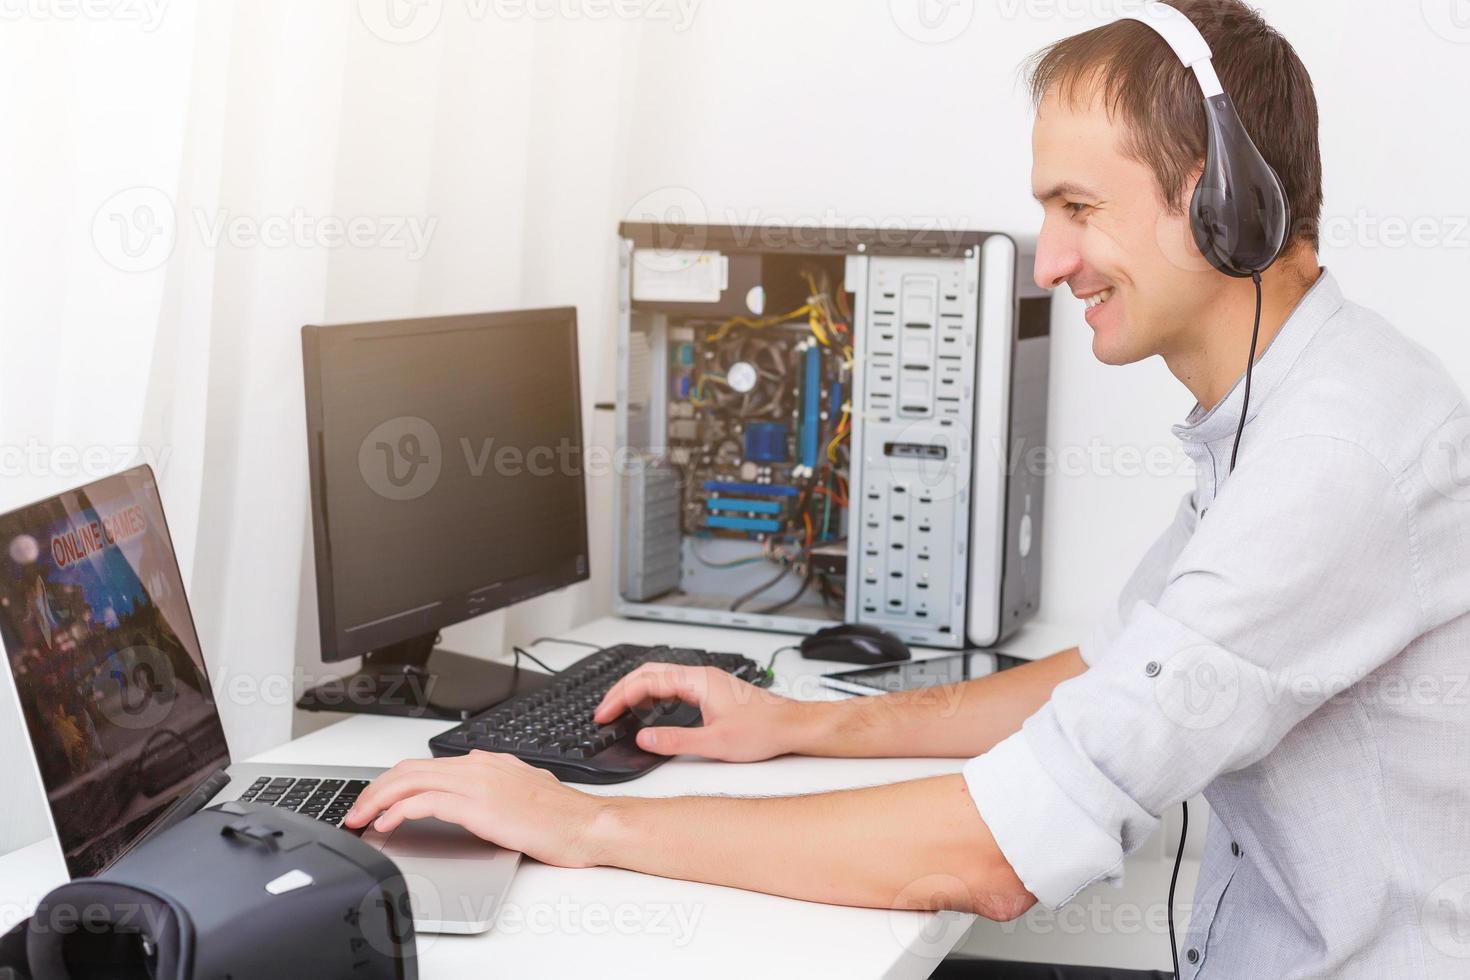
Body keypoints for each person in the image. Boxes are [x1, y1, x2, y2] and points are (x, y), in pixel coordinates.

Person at [346, 2, 1470, 976]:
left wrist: (581, 822)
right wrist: (798, 722)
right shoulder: (1294, 407)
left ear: (1222, 203)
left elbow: (992, 856)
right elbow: (1111, 672)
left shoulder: (1338, 459)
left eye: (1079, 207)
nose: (1047, 262)